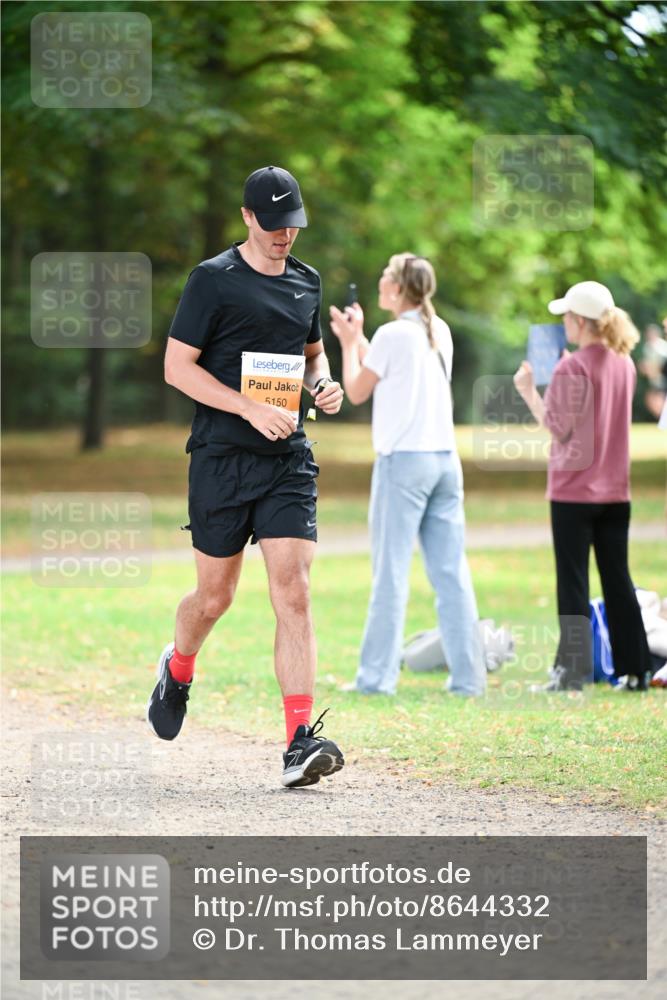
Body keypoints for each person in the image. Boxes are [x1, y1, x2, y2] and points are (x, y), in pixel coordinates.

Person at [146, 165, 346, 788]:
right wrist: (246, 406)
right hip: (221, 457)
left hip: (287, 457)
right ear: (248, 218)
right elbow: (178, 368)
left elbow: (313, 354)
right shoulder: (212, 281)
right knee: (215, 598)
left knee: (294, 592)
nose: (287, 236)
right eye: (275, 224)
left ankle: (297, 742)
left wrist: (323, 385)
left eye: (295, 224)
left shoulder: (305, 282)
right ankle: (178, 667)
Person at [329, 253, 486, 697]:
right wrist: (359, 338)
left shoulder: (394, 333)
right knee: (451, 573)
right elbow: (386, 370)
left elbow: (358, 390)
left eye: (384, 277)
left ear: (398, 289)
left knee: (391, 573)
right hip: (444, 462)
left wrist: (346, 342)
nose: (379, 282)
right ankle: (468, 680)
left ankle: (375, 680)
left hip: (404, 464)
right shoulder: (436, 330)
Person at [513, 281, 653, 692]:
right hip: (616, 491)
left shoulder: (571, 367)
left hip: (573, 492)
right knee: (618, 580)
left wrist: (528, 392)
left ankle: (571, 673)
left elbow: (558, 428)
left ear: (578, 321)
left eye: (566, 318)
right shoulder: (623, 363)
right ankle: (637, 669)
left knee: (573, 582)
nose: (564, 324)